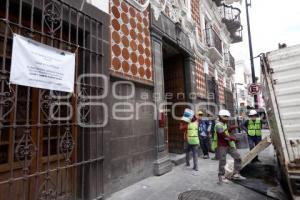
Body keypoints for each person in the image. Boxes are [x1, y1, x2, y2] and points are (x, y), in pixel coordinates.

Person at [211, 109, 245, 184]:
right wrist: (234, 139)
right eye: (225, 117)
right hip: (221, 145)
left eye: (227, 117)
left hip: (229, 144)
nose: (227, 118)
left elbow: (226, 131)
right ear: (220, 117)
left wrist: (231, 128)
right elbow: (224, 136)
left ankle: (236, 174)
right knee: (222, 161)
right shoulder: (218, 125)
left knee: (238, 157)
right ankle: (221, 176)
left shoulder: (224, 124)